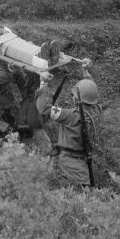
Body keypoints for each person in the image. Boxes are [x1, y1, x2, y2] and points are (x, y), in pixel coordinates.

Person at [35, 59, 101, 187]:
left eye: (73, 96)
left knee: (77, 192)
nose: (72, 97)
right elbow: (91, 92)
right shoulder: (96, 111)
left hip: (70, 163)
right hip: (81, 162)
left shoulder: (71, 116)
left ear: (77, 100)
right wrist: (85, 71)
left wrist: (44, 84)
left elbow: (44, 108)